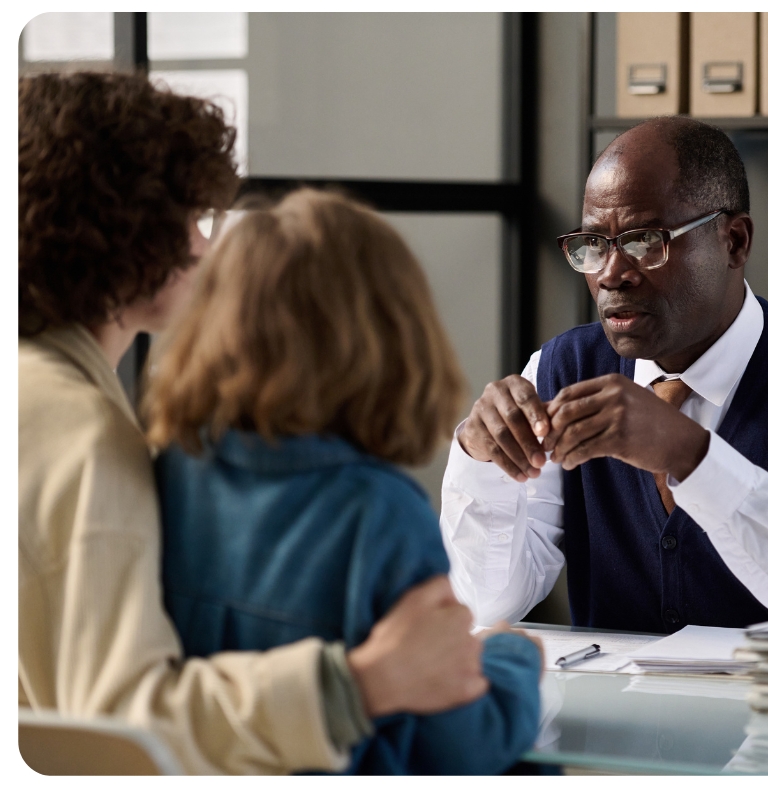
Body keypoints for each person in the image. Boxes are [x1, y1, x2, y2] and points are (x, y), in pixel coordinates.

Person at [19, 71, 491, 776]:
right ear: (131, 227)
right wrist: (358, 683)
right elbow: (115, 728)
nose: (205, 248)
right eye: (192, 217)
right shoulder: (85, 436)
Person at [440, 115, 768, 633]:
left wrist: (692, 457)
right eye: (593, 245)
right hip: (612, 713)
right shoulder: (562, 370)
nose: (610, 274)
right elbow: (484, 604)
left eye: (646, 240)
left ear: (734, 241)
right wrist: (480, 462)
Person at [143, 188, 543, 775]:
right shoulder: (379, 513)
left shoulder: (167, 473)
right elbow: (459, 749)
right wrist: (512, 659)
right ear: (393, 332)